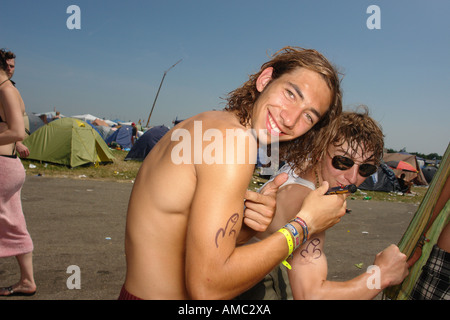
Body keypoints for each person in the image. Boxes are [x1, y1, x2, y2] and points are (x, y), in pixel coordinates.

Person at [120, 46, 347, 300]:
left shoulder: (208, 124)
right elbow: (208, 286)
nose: (290, 119)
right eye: (291, 94)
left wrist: (245, 227)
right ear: (265, 80)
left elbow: (178, 239)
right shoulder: (234, 140)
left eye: (308, 116)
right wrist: (304, 225)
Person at [238, 109, 409, 300]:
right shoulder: (306, 204)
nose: (352, 178)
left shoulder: (305, 163)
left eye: (365, 168)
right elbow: (311, 295)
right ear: (320, 151)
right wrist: (381, 275)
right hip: (249, 283)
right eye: (343, 161)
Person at [0, 48, 36, 297]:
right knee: (13, 223)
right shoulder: (8, 90)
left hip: (3, 165)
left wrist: (17, 141)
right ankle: (27, 281)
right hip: (8, 163)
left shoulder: (7, 90)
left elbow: (17, 131)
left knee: (11, 222)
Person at [2, 50, 29, 158]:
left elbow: (14, 127)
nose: (9, 68)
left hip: (9, 155)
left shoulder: (10, 89)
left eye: (12, 66)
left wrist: (17, 143)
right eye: (6, 65)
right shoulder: (6, 90)